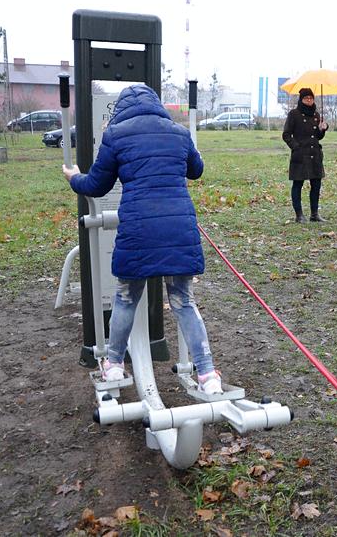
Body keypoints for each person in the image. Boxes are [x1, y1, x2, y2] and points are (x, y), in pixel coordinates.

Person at [61, 84, 222, 394]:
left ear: (123, 108)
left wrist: (74, 178)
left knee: (125, 298)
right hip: (178, 227)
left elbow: (96, 185)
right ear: (155, 104)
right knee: (183, 302)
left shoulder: (116, 134)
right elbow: (197, 170)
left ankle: (114, 365)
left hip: (138, 230)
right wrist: (191, 148)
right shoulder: (177, 132)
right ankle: (207, 372)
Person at [282, 88, 329, 223]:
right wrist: (296, 147)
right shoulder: (294, 114)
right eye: (306, 98)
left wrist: (322, 129)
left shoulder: (316, 115)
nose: (309, 100)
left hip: (315, 155)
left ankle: (314, 214)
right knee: (298, 184)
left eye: (311, 98)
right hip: (300, 155)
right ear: (301, 99)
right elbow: (286, 135)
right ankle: (299, 215)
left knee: (316, 185)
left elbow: (318, 137)